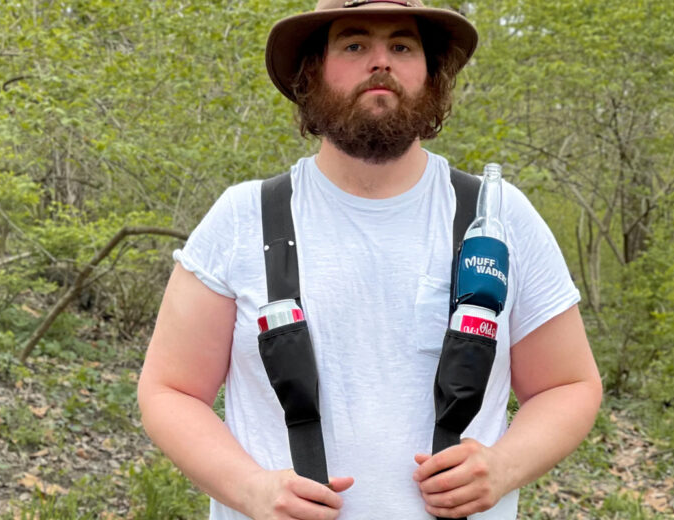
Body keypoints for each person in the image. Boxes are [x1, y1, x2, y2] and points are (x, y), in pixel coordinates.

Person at [137, 1, 603, 519]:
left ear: (431, 73)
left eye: (401, 46)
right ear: (313, 70)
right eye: (355, 45)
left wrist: (506, 465)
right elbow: (169, 390)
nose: (380, 62)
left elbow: (569, 385)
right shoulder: (242, 218)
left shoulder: (498, 219)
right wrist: (249, 489)